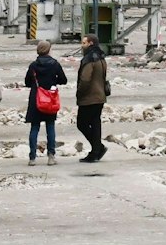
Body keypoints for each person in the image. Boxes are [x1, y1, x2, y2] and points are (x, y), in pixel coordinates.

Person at [23, 39, 67, 165]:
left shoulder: (33, 65)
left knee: (34, 127)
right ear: (49, 50)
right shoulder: (55, 64)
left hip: (36, 98)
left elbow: (27, 82)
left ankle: (32, 157)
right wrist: (53, 82)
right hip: (50, 99)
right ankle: (51, 156)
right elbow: (63, 80)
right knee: (50, 127)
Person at [74, 33, 110, 163]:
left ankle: (97, 148)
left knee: (82, 123)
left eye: (84, 43)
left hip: (89, 97)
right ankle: (96, 151)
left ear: (90, 43)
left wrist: (79, 93)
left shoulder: (89, 59)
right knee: (95, 123)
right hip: (100, 95)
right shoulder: (101, 57)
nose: (82, 46)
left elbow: (85, 79)